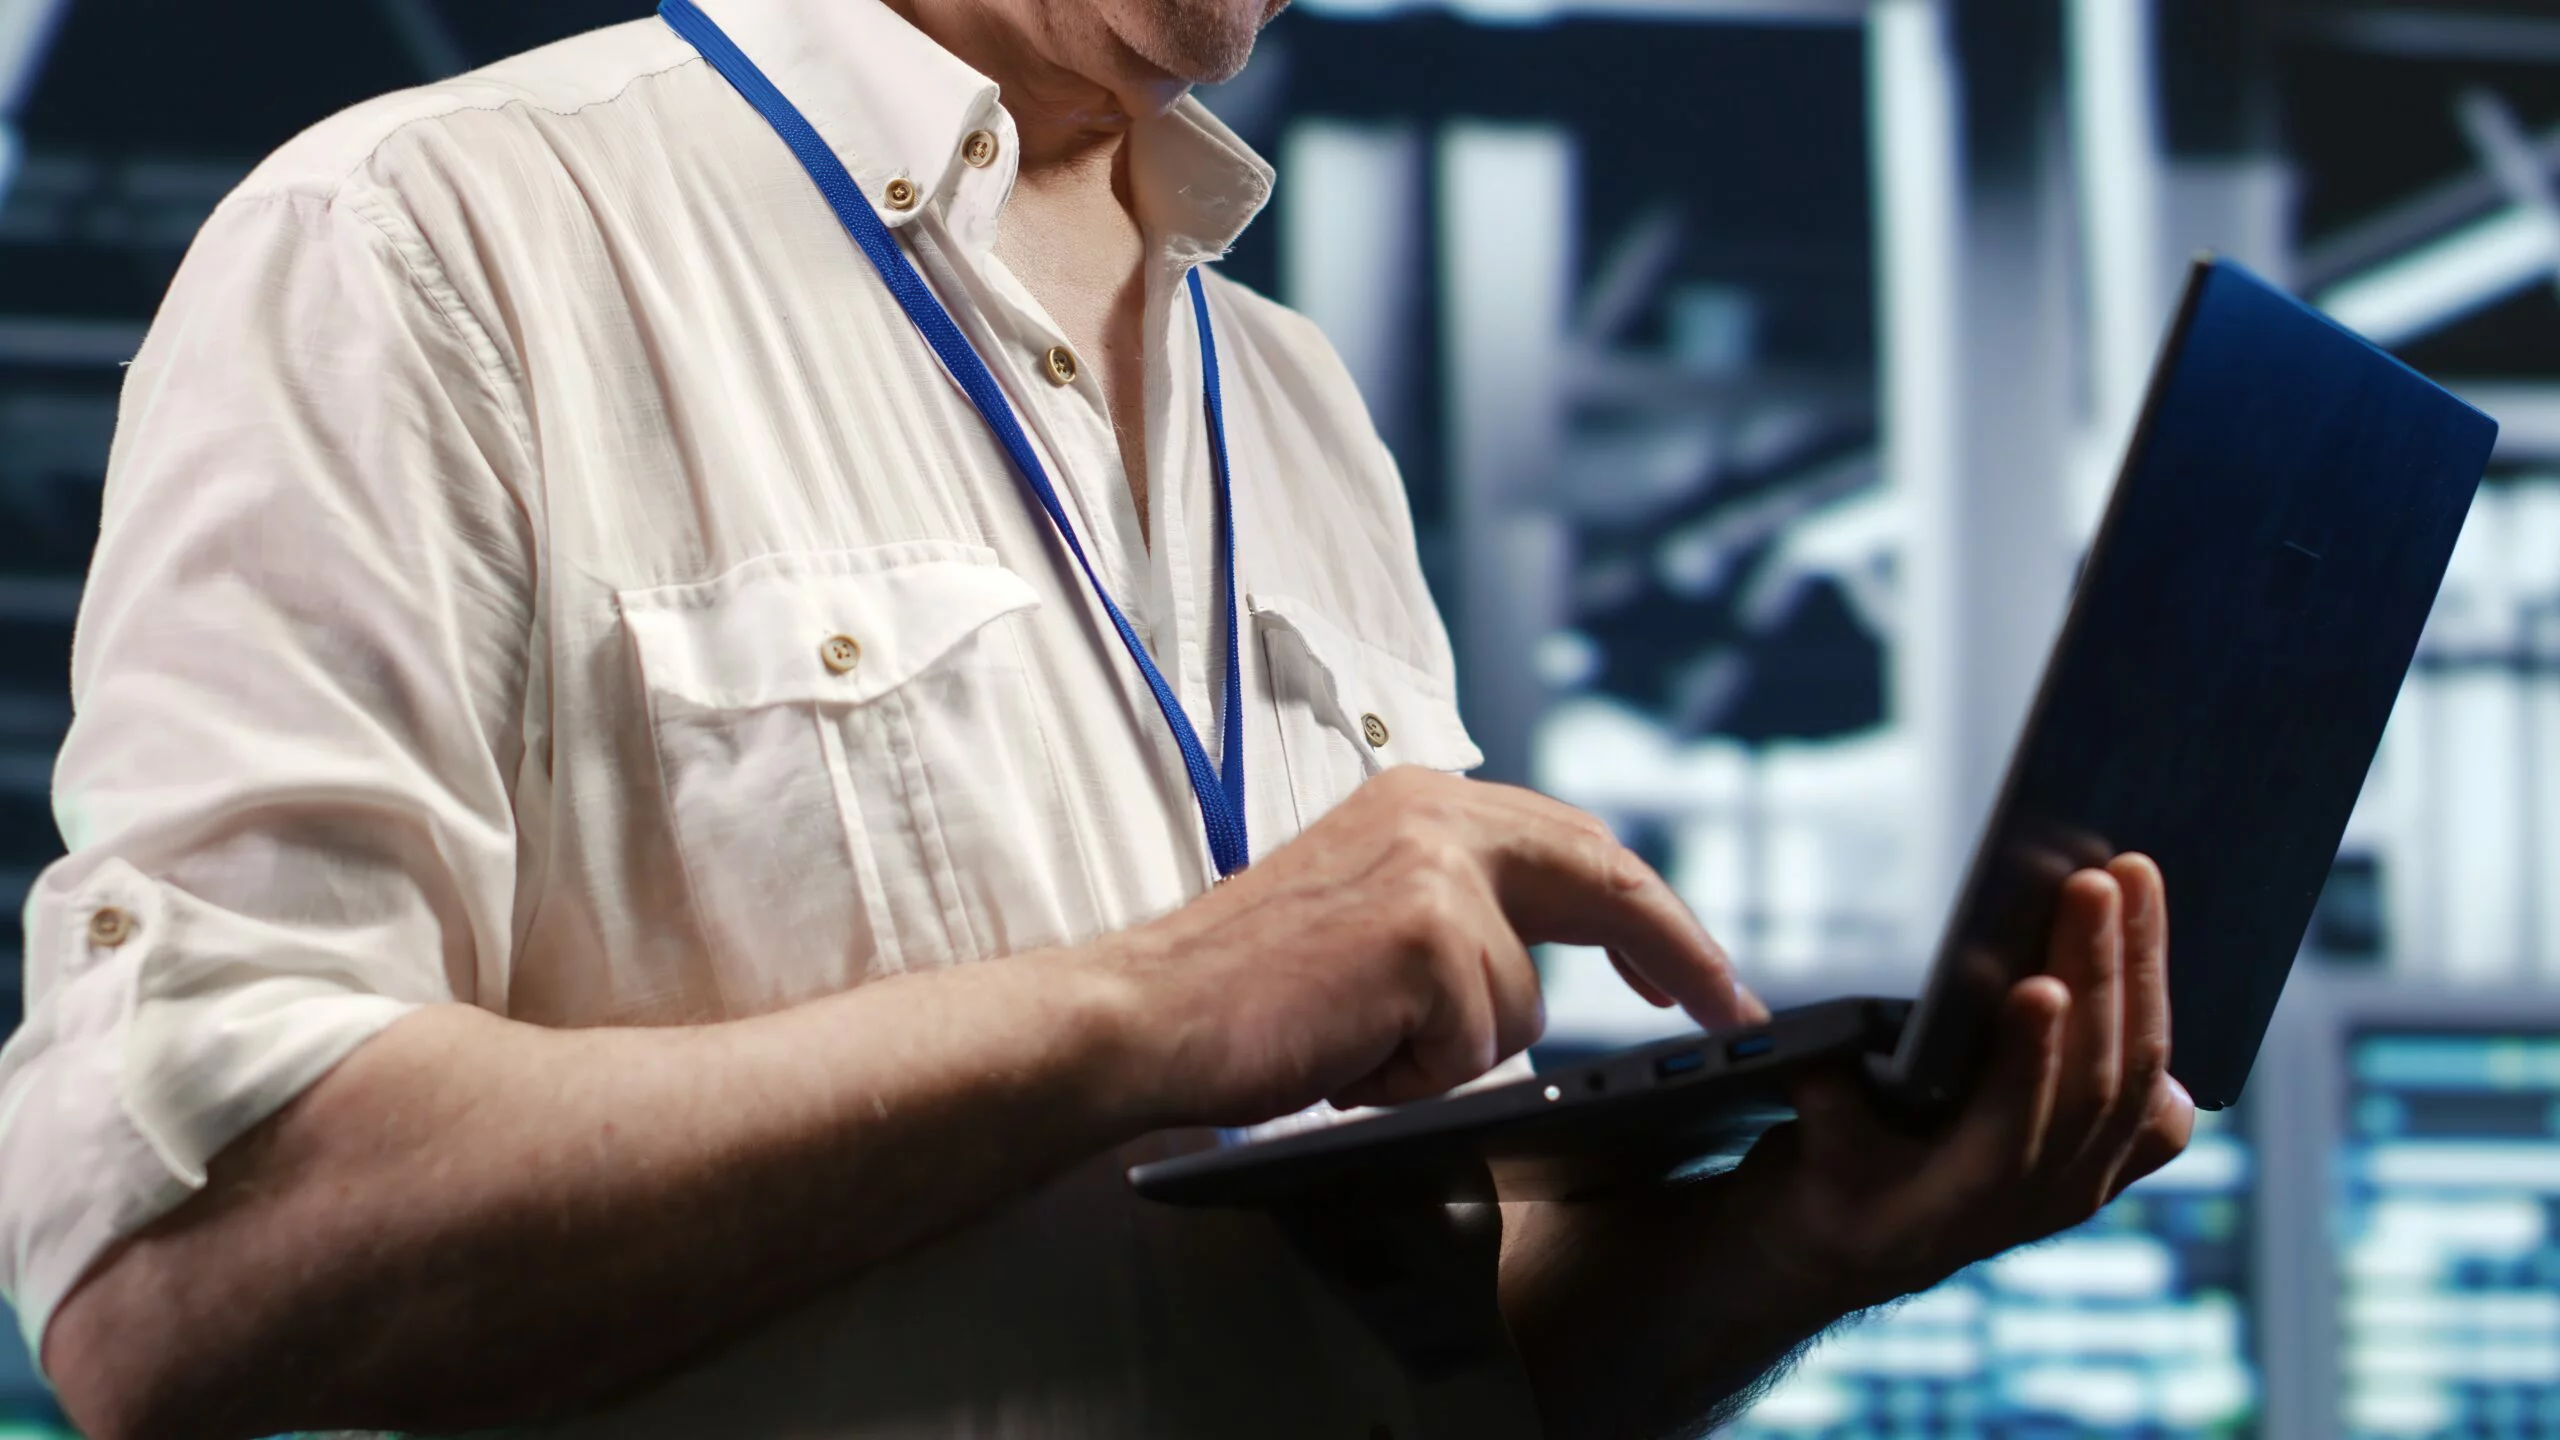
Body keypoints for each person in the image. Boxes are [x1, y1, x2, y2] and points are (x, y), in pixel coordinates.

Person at [0, 0, 2195, 1435]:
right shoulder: (431, 242)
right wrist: (1157, 1006)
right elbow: (180, 1278)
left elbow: (1387, 1352)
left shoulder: (1298, 411)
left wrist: (1797, 1245)